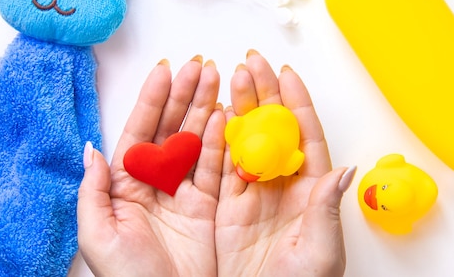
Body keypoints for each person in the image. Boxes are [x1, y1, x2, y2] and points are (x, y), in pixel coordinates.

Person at [77, 50, 357, 277]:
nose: (242, 172)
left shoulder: (281, 157)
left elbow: (289, 156)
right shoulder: (237, 132)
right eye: (244, 163)